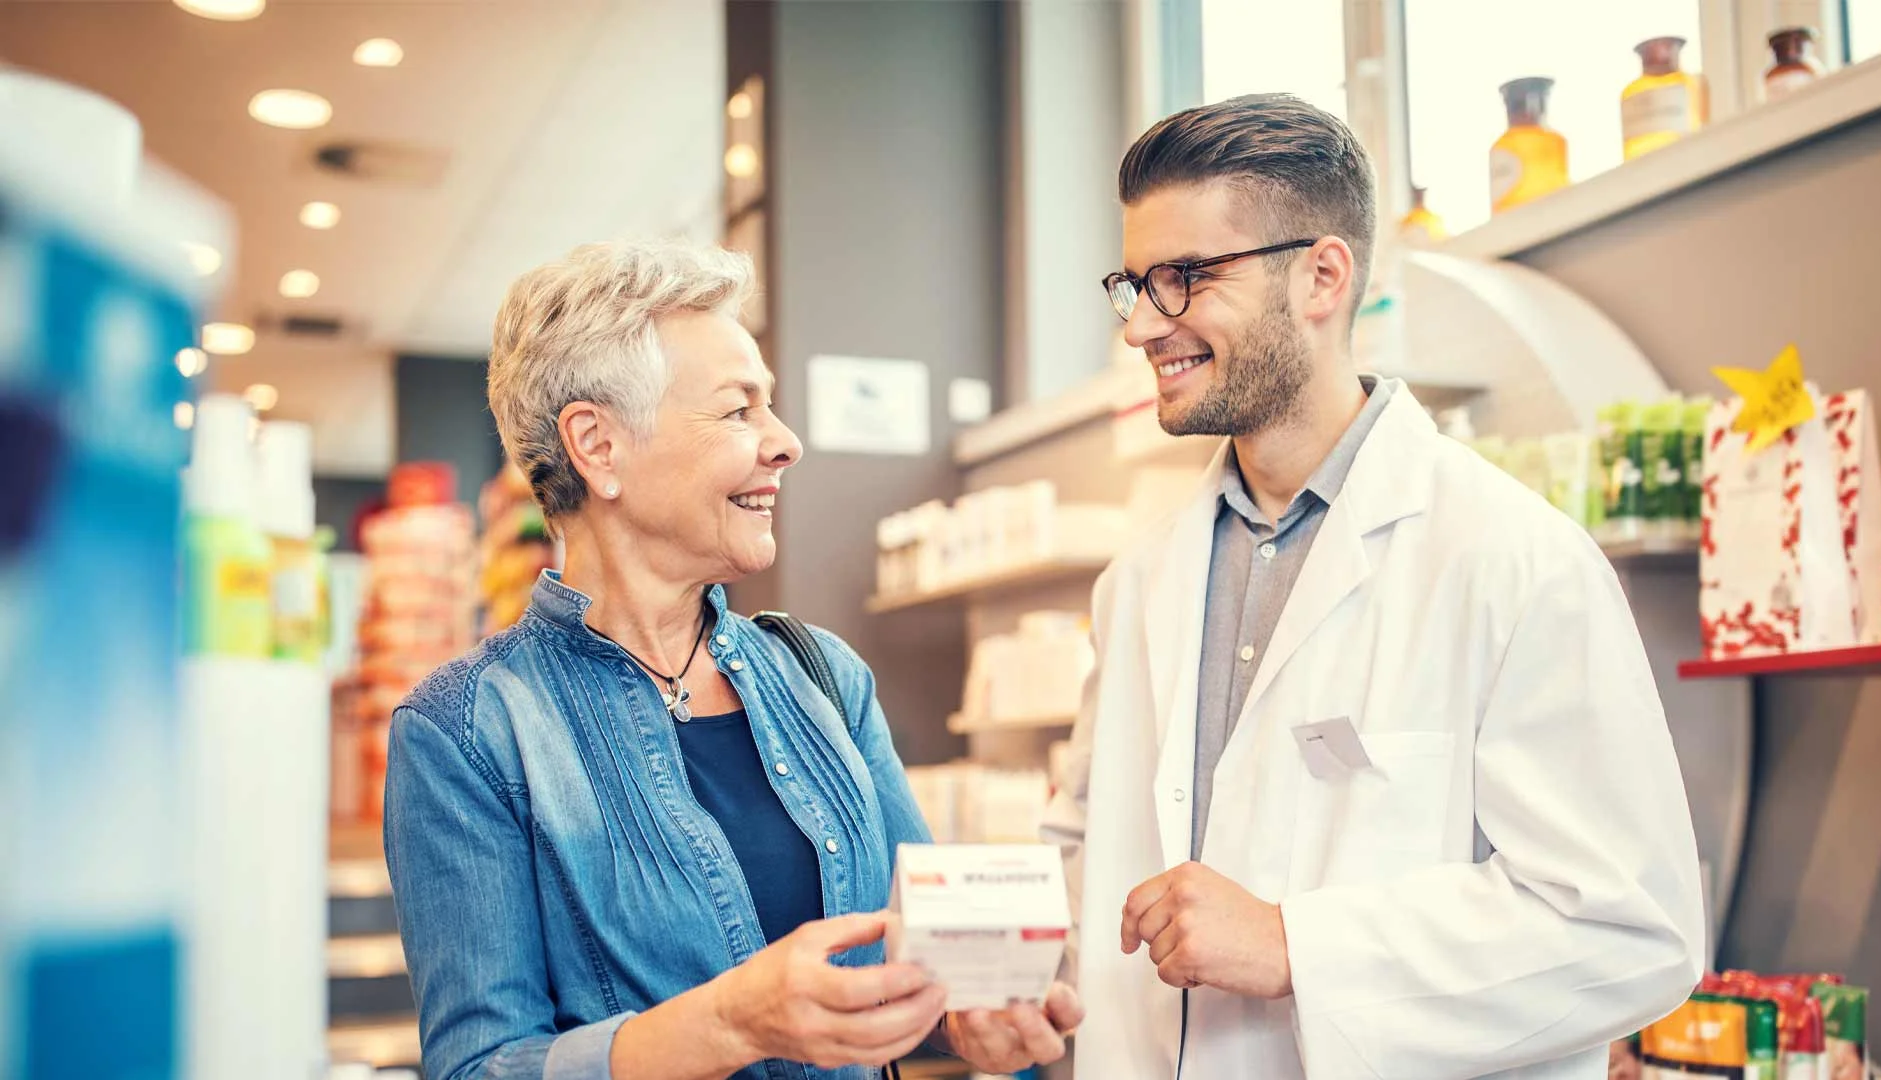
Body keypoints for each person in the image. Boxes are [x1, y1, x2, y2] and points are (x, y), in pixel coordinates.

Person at [1040, 94, 1707, 1078]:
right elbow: (1086, 842)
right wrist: (1023, 988)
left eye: (1184, 278)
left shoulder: (1515, 560)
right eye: (1136, 284)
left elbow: (1629, 928)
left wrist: (1295, 945)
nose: (1143, 325)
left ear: (1322, 275)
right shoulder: (1139, 582)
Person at [385, 239, 1080, 1080]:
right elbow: (478, 1065)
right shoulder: (466, 734)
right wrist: (729, 1023)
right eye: (737, 410)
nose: (785, 442)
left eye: (770, 405)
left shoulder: (822, 678)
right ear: (597, 446)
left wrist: (967, 1017)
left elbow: (916, 968)